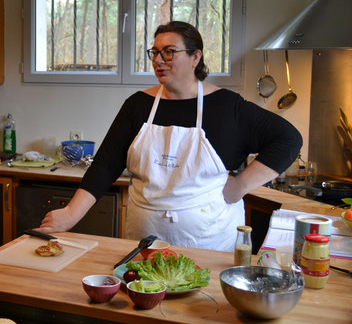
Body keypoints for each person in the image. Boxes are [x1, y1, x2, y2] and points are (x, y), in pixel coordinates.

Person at [36, 21, 302, 251]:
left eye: (169, 52)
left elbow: (288, 139)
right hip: (144, 242)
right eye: (155, 52)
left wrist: (238, 187)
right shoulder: (138, 105)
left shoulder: (226, 107)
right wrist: (70, 214)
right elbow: (106, 165)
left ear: (195, 57)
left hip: (208, 244)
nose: (158, 60)